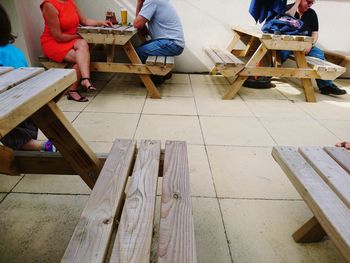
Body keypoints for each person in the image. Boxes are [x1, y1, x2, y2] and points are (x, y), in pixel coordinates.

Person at [0, 4, 55, 152]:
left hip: (14, 115)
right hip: (30, 109)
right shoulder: (14, 51)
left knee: (13, 134)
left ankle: (39, 146)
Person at [40, 0, 112, 102]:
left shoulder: (70, 2)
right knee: (82, 57)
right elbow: (58, 37)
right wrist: (78, 36)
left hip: (70, 40)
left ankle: (85, 79)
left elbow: (85, 21)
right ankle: (73, 90)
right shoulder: (49, 5)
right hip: (54, 43)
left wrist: (101, 22)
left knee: (82, 48)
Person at [281, 0, 346, 96]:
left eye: (312, 3)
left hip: (306, 44)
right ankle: (264, 76)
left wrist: (310, 44)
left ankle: (326, 86)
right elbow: (286, 17)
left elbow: (315, 32)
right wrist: (296, 4)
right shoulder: (288, 8)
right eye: (308, 2)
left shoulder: (311, 13)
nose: (310, 5)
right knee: (280, 53)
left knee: (319, 53)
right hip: (288, 43)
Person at [133, 0, 185, 85]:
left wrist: (139, 3)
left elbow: (137, 24)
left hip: (172, 43)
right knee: (139, 48)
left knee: (139, 52)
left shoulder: (152, 1)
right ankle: (164, 74)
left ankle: (155, 78)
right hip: (171, 42)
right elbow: (140, 24)